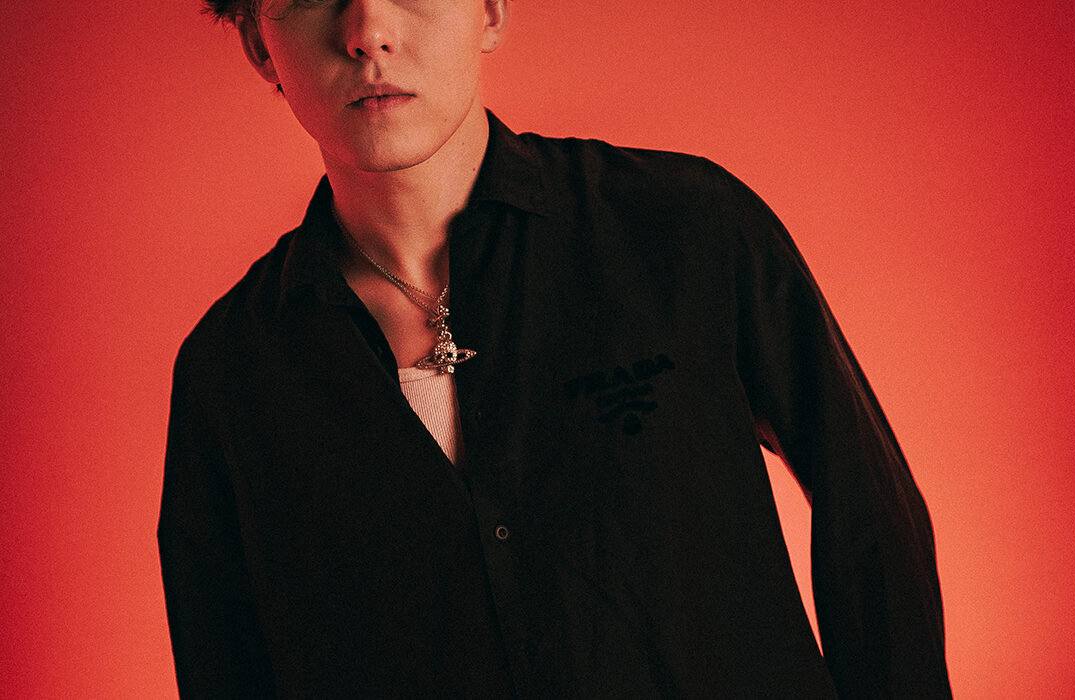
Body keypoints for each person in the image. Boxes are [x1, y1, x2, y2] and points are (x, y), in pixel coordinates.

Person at [158, 0, 953, 697]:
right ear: (258, 44)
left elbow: (869, 515)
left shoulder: (686, 228)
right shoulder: (229, 372)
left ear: (492, 9)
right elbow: (225, 664)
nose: (367, 30)